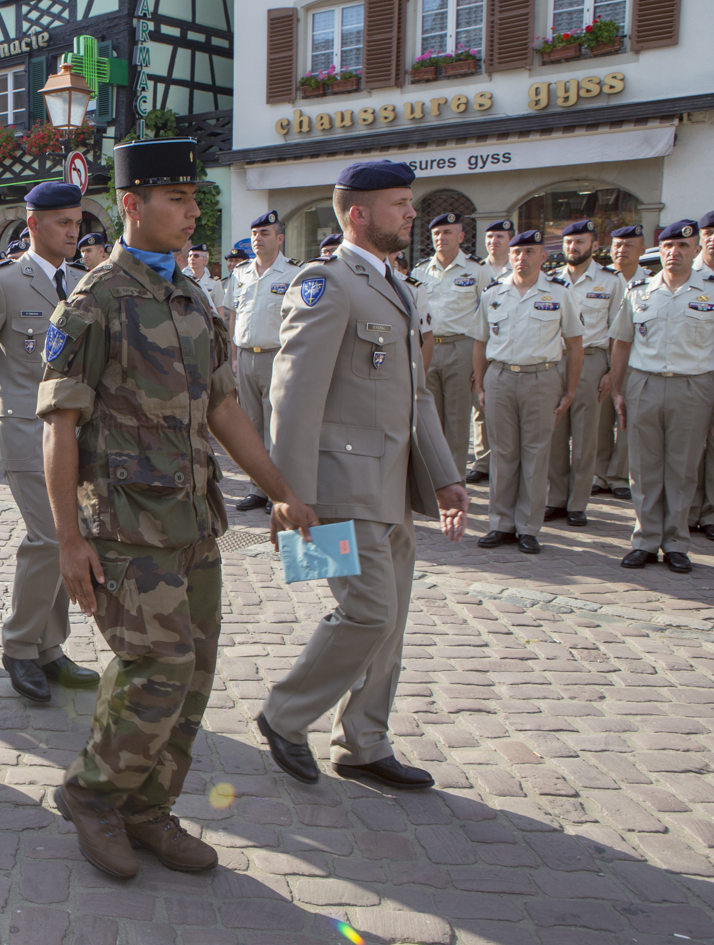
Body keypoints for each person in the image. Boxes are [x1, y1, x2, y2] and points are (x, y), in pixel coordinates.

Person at [39, 138, 318, 878]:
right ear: (132, 204)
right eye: (178, 199)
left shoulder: (193, 298)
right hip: (125, 528)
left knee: (192, 674)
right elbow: (60, 425)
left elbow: (223, 408)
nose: (194, 212)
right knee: (154, 668)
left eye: (195, 199)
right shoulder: (93, 303)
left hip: (193, 521)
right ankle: (91, 794)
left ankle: (147, 807)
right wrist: (69, 540)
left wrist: (280, 489)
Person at [258, 159, 467, 796]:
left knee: (391, 622)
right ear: (358, 213)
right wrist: (289, 497)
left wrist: (445, 477)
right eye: (400, 203)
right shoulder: (327, 283)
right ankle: (284, 715)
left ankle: (363, 743)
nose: (411, 213)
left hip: (391, 489)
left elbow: (416, 396)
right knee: (369, 614)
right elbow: (292, 398)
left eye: (409, 202)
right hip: (334, 488)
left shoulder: (395, 284)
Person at [0, 183, 100, 704]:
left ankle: (49, 647)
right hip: (26, 431)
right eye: (62, 223)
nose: (73, 232)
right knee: (51, 539)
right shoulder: (3, 284)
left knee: (66, 537)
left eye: (76, 222)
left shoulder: (82, 282)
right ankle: (19, 646)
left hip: (75, 435)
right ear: (33, 225)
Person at [610, 220, 714, 573]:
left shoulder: (710, 291)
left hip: (693, 385)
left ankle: (676, 544)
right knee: (643, 467)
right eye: (668, 246)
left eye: (683, 246)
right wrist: (618, 389)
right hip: (645, 384)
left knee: (683, 469)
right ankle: (645, 540)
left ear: (696, 250)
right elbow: (622, 342)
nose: (674, 253)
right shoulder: (640, 290)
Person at [472, 230, 583, 554]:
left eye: (530, 252)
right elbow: (480, 342)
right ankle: (501, 524)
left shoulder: (559, 293)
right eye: (517, 252)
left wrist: (570, 389)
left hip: (541, 378)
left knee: (535, 454)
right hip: (501, 377)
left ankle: (528, 528)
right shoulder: (493, 293)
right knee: (503, 452)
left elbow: (575, 345)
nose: (522, 258)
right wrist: (480, 384)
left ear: (543, 256)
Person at [544, 220, 626, 527]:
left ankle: (578, 503)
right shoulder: (550, 280)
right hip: (556, 360)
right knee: (554, 432)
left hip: (592, 361)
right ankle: (555, 498)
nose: (572, 247)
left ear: (594, 245)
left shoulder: (611, 281)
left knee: (585, 435)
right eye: (568, 242)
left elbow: (619, 333)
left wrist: (612, 372)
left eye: (579, 242)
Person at [230, 210, 302, 512]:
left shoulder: (293, 273)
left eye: (265, 233)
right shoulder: (240, 273)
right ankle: (257, 488)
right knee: (250, 427)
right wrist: (233, 355)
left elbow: (300, 321)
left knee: (277, 429)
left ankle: (277, 493)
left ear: (280, 238)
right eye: (254, 234)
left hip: (277, 357)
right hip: (245, 356)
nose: (257, 239)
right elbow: (233, 315)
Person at [414, 213, 486, 476]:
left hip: (462, 348)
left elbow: (489, 317)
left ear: (461, 236)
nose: (440, 238)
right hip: (428, 347)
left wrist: (481, 363)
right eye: (436, 233)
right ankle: (434, 481)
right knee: (429, 418)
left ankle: (455, 482)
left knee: (457, 421)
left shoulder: (477, 270)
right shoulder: (420, 271)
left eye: (447, 233)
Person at [469, 220, 516, 483]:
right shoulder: (476, 268)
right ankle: (482, 460)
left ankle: (505, 460)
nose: (493, 241)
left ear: (510, 240)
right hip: (482, 341)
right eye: (489, 237)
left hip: (507, 346)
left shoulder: (519, 267)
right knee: (480, 405)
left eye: (499, 236)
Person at [687, 211, 714, 537]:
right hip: (692, 375)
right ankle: (688, 511)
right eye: (708, 233)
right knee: (689, 447)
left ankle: (710, 513)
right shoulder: (685, 276)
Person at [185, 244, 228, 317]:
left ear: (205, 260)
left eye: (196, 256)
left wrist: (220, 323)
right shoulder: (185, 280)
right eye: (189, 256)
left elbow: (220, 308)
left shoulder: (214, 283)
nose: (192, 258)